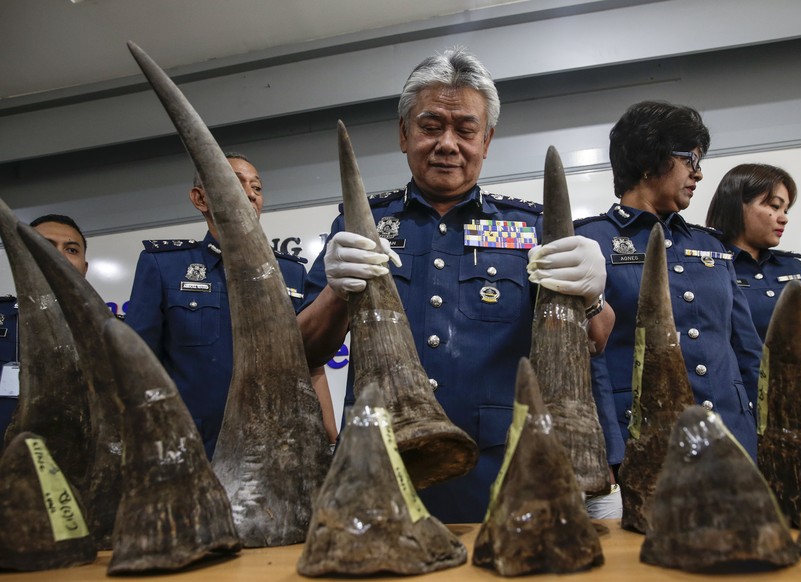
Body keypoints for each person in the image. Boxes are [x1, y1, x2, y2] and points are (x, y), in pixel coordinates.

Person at [299, 48, 616, 523]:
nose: (448, 143)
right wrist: (335, 292)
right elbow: (300, 352)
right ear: (404, 134)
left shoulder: (530, 228)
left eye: (465, 130)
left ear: (486, 141)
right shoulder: (360, 224)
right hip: (381, 474)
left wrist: (592, 298)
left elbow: (595, 340)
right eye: (431, 126)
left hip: (502, 479)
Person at [575, 101, 761, 458]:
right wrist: (609, 453)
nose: (699, 173)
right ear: (650, 159)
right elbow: (588, 360)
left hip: (732, 439)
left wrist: (764, 439)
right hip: (645, 444)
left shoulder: (711, 244)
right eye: (689, 159)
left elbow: (747, 352)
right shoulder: (590, 242)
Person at [124, 152, 336, 459]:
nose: (250, 194)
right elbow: (137, 370)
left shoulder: (290, 272)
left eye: (257, 188)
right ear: (200, 199)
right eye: (235, 184)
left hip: (281, 449)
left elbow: (311, 366)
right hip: (193, 450)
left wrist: (330, 440)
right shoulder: (164, 267)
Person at [706, 163, 801, 404]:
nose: (784, 218)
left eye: (786, 209)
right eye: (774, 206)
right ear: (738, 205)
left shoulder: (791, 267)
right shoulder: (710, 267)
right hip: (751, 412)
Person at [1, 214, 89, 440]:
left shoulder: (107, 332)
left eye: (71, 250)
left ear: (84, 267)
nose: (56, 256)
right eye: (44, 246)